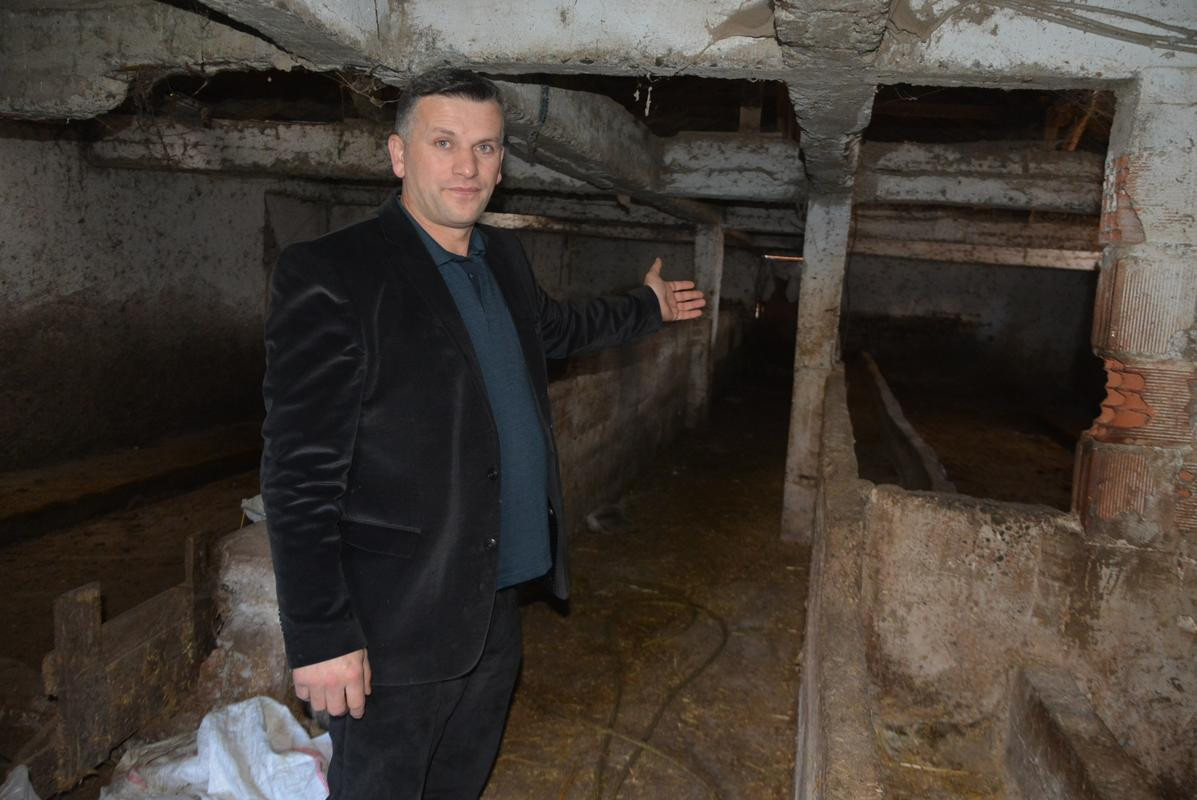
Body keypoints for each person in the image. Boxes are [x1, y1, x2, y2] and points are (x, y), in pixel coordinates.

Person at [260, 67, 706, 799]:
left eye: (486, 147)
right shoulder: (334, 273)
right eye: (444, 143)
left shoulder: (503, 257)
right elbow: (298, 471)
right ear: (399, 155)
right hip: (398, 613)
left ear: (502, 163)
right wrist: (321, 633)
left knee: (461, 778)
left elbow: (556, 329)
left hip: (494, 595)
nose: (467, 167)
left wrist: (645, 307)